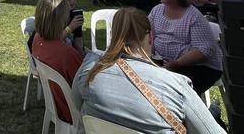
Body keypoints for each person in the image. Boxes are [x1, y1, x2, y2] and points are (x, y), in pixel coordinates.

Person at [72, 7, 225, 134]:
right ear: (151, 37)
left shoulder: (90, 67)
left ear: (114, 35)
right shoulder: (176, 85)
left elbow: (76, 104)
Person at [148, 0, 222, 96]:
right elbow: (150, 36)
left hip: (197, 67)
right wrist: (149, 58)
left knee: (175, 92)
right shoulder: (156, 11)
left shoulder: (193, 17)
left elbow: (203, 51)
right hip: (164, 63)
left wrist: (176, 64)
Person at [31, 0, 83, 126]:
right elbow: (84, 86)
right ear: (61, 20)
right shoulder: (66, 54)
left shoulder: (37, 39)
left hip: (55, 102)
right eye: (67, 15)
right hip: (73, 111)